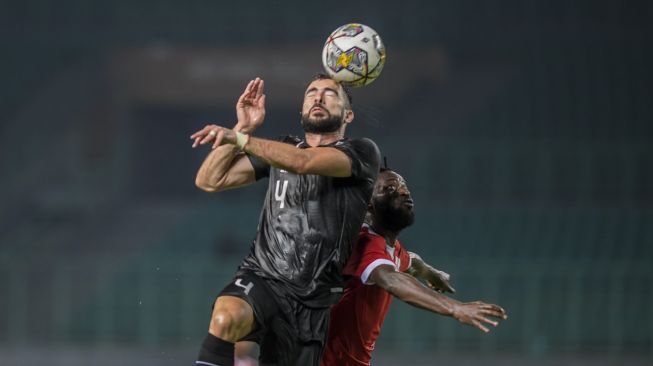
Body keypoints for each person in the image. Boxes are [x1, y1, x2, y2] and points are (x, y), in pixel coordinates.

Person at [190, 75, 381, 366]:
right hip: (263, 276)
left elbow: (303, 163)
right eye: (311, 93)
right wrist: (242, 127)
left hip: (313, 299)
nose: (318, 98)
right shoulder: (280, 149)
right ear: (302, 109)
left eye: (330, 94)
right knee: (225, 316)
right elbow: (209, 180)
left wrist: (242, 140)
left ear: (348, 114)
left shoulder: (362, 152)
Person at [321, 169, 508, 366]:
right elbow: (390, 279)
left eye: (404, 186)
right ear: (368, 204)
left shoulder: (388, 248)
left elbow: (410, 261)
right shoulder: (363, 242)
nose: (403, 192)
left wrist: (429, 272)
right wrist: (454, 307)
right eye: (390, 188)